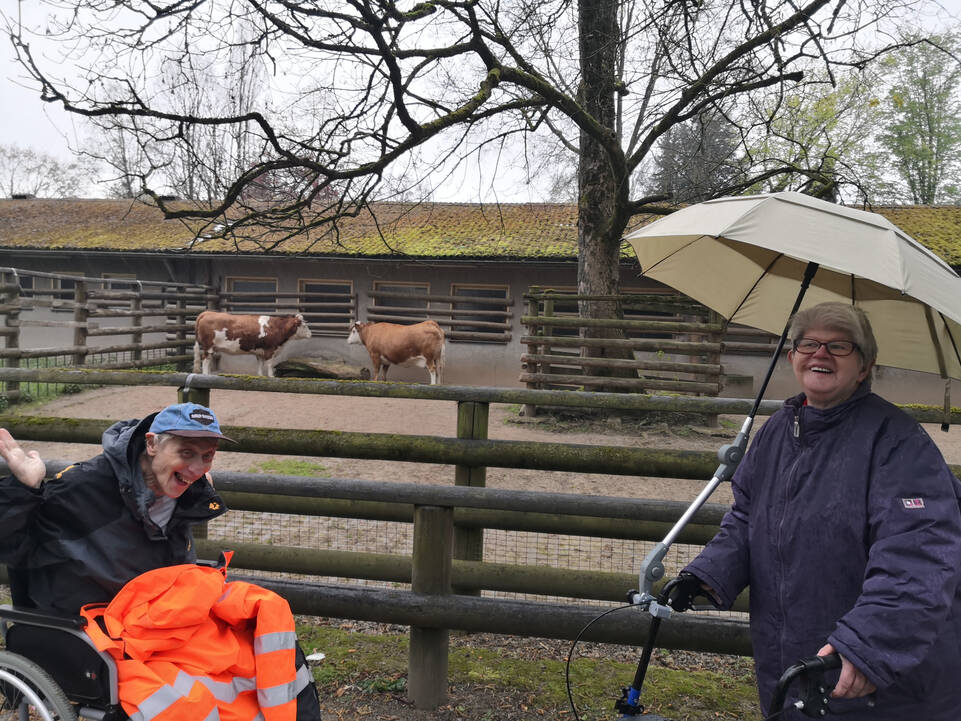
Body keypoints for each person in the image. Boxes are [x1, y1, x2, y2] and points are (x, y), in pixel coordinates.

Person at [666, 302, 961, 720]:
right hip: (792, 659)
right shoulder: (775, 433)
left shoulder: (898, 444)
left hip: (875, 683)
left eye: (839, 346)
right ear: (792, 357)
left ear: (864, 367)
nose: (820, 353)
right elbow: (748, 518)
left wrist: (868, 646)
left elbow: (919, 557)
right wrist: (705, 576)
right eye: (809, 343)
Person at [0, 401, 322, 720]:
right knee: (190, 699)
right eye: (186, 453)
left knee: (269, 639)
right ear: (152, 444)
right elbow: (11, 544)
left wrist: (192, 493)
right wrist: (24, 486)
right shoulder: (83, 488)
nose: (197, 468)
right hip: (106, 630)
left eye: (206, 457)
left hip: (167, 621)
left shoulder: (182, 493)